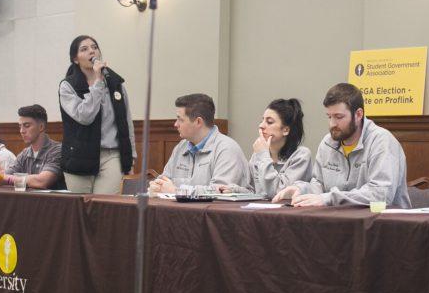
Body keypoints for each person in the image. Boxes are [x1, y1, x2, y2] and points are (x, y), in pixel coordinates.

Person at [273, 83, 409, 208]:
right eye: (329, 117)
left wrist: (330, 198)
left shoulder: (382, 141)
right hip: (342, 222)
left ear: (358, 114)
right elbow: (319, 185)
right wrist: (301, 189)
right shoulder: (327, 143)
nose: (332, 124)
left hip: (384, 226)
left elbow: (380, 194)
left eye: (339, 117)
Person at [58, 35, 136, 195]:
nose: (91, 51)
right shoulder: (68, 86)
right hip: (80, 155)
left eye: (94, 47)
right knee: (81, 210)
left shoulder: (115, 83)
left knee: (105, 208)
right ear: (75, 59)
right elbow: (85, 117)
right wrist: (97, 83)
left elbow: (126, 122)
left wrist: (131, 156)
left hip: (112, 155)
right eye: (84, 49)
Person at [149, 93, 252, 193]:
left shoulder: (227, 149)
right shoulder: (181, 147)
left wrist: (178, 191)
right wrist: (157, 186)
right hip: (181, 210)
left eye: (180, 119)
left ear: (198, 122)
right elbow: (164, 181)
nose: (176, 124)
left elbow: (220, 192)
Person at [249, 98, 313, 198]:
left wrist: (263, 155)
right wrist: (233, 190)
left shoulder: (301, 155)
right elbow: (252, 190)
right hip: (259, 211)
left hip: (287, 211)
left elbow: (277, 192)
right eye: (262, 120)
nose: (261, 126)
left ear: (286, 130)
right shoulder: (259, 153)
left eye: (269, 122)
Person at [0, 104, 65, 190]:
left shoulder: (57, 150)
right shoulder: (24, 153)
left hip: (53, 202)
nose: (21, 131)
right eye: (20, 126)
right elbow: (4, 176)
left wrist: (6, 178)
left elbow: (42, 182)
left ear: (41, 127)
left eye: (26, 126)